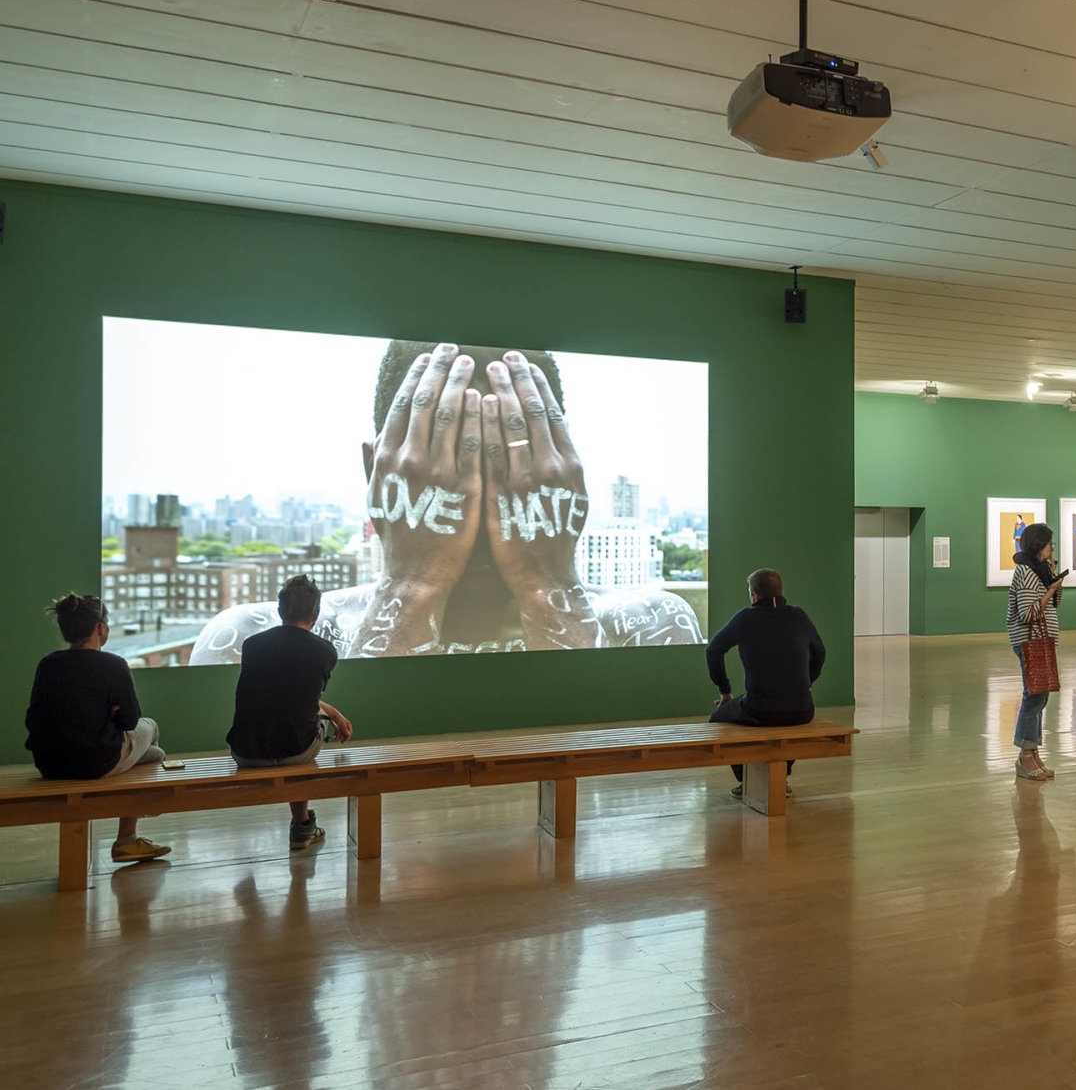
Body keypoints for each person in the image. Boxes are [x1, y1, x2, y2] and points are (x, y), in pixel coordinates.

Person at [190, 341, 702, 664]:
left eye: (508, 474)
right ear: (376, 473)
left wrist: (548, 587)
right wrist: (412, 587)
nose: (478, 510)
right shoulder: (245, 640)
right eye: (447, 471)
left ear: (561, 473)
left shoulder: (654, 624)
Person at [23, 594, 171, 864]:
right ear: (100, 628)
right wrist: (109, 715)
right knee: (151, 726)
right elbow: (130, 721)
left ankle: (129, 836)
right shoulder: (113, 665)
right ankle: (127, 839)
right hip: (95, 762)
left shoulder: (47, 664)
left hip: (49, 764)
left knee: (156, 755)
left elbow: (34, 718)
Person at [227, 576, 353, 851]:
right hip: (296, 751)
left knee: (296, 721)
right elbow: (302, 701)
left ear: (280, 610)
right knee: (302, 727)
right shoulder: (325, 651)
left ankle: (303, 823)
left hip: (245, 751)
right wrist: (333, 714)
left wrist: (331, 712)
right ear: (315, 614)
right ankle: (302, 825)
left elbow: (288, 698)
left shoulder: (252, 645)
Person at [707, 569, 826, 797]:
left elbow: (713, 650)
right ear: (781, 591)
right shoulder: (799, 615)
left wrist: (725, 692)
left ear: (754, 594)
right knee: (787, 724)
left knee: (718, 720)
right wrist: (806, 683)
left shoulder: (745, 618)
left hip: (759, 710)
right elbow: (820, 653)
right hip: (802, 710)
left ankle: (747, 780)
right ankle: (781, 777)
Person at [1006, 524, 1067, 782]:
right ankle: (1025, 755)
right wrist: (1051, 588)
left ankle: (1032, 752)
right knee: (1033, 697)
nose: (1052, 548)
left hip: (1042, 640)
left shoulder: (1039, 570)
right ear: (1038, 545)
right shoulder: (1026, 572)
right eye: (1049, 544)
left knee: (1040, 696)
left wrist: (1054, 583)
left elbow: (1054, 604)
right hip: (1030, 640)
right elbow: (1028, 613)